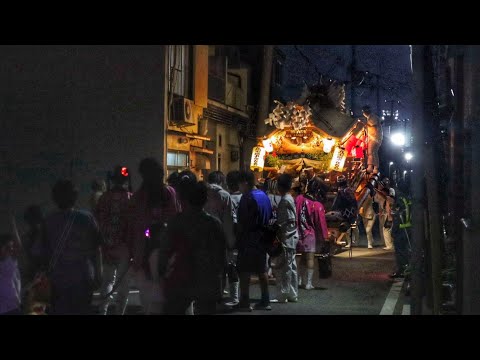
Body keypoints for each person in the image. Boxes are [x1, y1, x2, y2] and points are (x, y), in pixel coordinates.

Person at [163, 179, 226, 315]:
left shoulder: (177, 222)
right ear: (205, 199)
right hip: (207, 278)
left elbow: (166, 250)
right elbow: (220, 256)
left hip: (180, 277)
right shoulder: (213, 224)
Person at [128, 158, 179, 314]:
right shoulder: (169, 193)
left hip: (143, 252)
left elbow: (135, 227)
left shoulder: (138, 197)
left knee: (148, 301)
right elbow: (175, 220)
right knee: (169, 299)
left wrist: (135, 255)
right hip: (168, 252)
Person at [44, 180, 103, 315]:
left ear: (54, 198)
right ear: (75, 197)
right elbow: (97, 248)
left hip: (58, 281)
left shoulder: (48, 221)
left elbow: (43, 253)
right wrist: (99, 274)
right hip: (83, 278)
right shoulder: (87, 218)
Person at [95, 165, 133, 315]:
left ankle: (103, 311)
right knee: (123, 284)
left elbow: (98, 220)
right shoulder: (130, 198)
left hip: (108, 245)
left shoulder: (104, 198)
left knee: (108, 281)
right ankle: (119, 312)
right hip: (124, 247)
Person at [234, 170, 273, 311]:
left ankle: (245, 302)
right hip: (263, 238)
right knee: (262, 270)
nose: (239, 186)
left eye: (239, 183)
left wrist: (237, 240)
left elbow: (242, 222)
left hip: (249, 238)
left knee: (244, 272)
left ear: (245, 182)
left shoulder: (247, 198)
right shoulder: (264, 195)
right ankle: (265, 300)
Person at [295, 177, 329, 290]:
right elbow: (321, 224)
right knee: (310, 258)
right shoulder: (317, 205)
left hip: (299, 232)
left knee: (302, 258)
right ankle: (309, 283)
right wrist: (325, 238)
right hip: (310, 234)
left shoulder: (299, 199)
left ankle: (299, 280)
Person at [271, 174, 299, 303]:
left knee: (285, 268)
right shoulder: (290, 198)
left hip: (287, 238)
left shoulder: (285, 201)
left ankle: (283, 294)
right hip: (292, 237)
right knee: (291, 267)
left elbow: (286, 222)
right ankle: (292, 293)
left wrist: (279, 235)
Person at [224, 170, 242, 306]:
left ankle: (234, 297)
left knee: (231, 266)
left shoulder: (227, 198)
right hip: (242, 236)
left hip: (231, 236)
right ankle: (237, 296)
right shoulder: (245, 197)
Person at [0, 216, 22, 315]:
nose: (11, 250)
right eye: (8, 247)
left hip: (12, 307)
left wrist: (13, 226)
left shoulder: (10, 262)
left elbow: (18, 246)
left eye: (11, 247)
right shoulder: (8, 263)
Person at [332, 175, 359, 248]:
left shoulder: (345, 190)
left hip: (348, 211)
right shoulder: (344, 189)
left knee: (348, 227)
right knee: (348, 227)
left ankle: (352, 241)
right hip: (347, 210)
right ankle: (351, 241)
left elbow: (351, 201)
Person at [374, 177, 395, 250]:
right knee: (387, 229)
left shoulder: (389, 196)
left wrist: (389, 216)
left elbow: (389, 208)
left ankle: (389, 245)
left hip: (389, 214)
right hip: (387, 214)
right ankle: (389, 244)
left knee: (386, 229)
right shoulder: (387, 197)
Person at [361, 106, 383, 174]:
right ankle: (371, 167)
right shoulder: (370, 117)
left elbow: (373, 125)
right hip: (374, 137)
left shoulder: (373, 117)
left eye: (363, 112)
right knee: (372, 152)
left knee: (371, 152)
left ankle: (373, 168)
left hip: (375, 138)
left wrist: (365, 124)